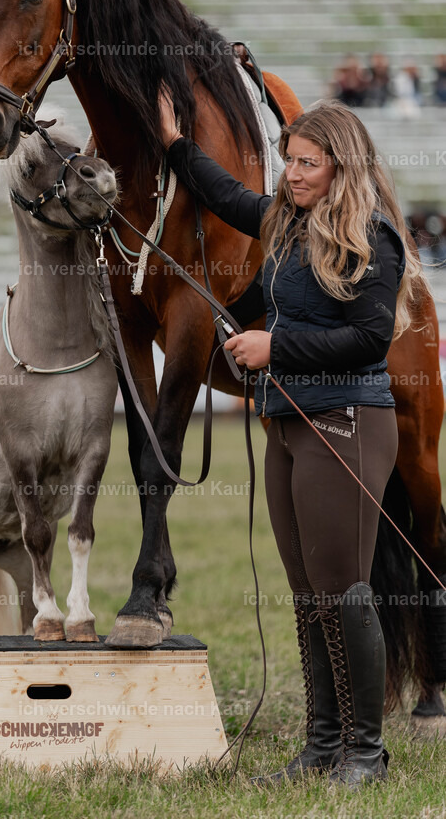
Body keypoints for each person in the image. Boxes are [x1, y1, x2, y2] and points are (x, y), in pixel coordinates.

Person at [159, 95, 424, 788]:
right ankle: (320, 743)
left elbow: (367, 338)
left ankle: (364, 754)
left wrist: (275, 345)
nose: (291, 174)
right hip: (285, 425)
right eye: (288, 161)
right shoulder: (284, 220)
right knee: (306, 592)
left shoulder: (372, 236)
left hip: (345, 424)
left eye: (307, 163)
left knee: (343, 590)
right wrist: (172, 145)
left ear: (341, 167)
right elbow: (223, 193)